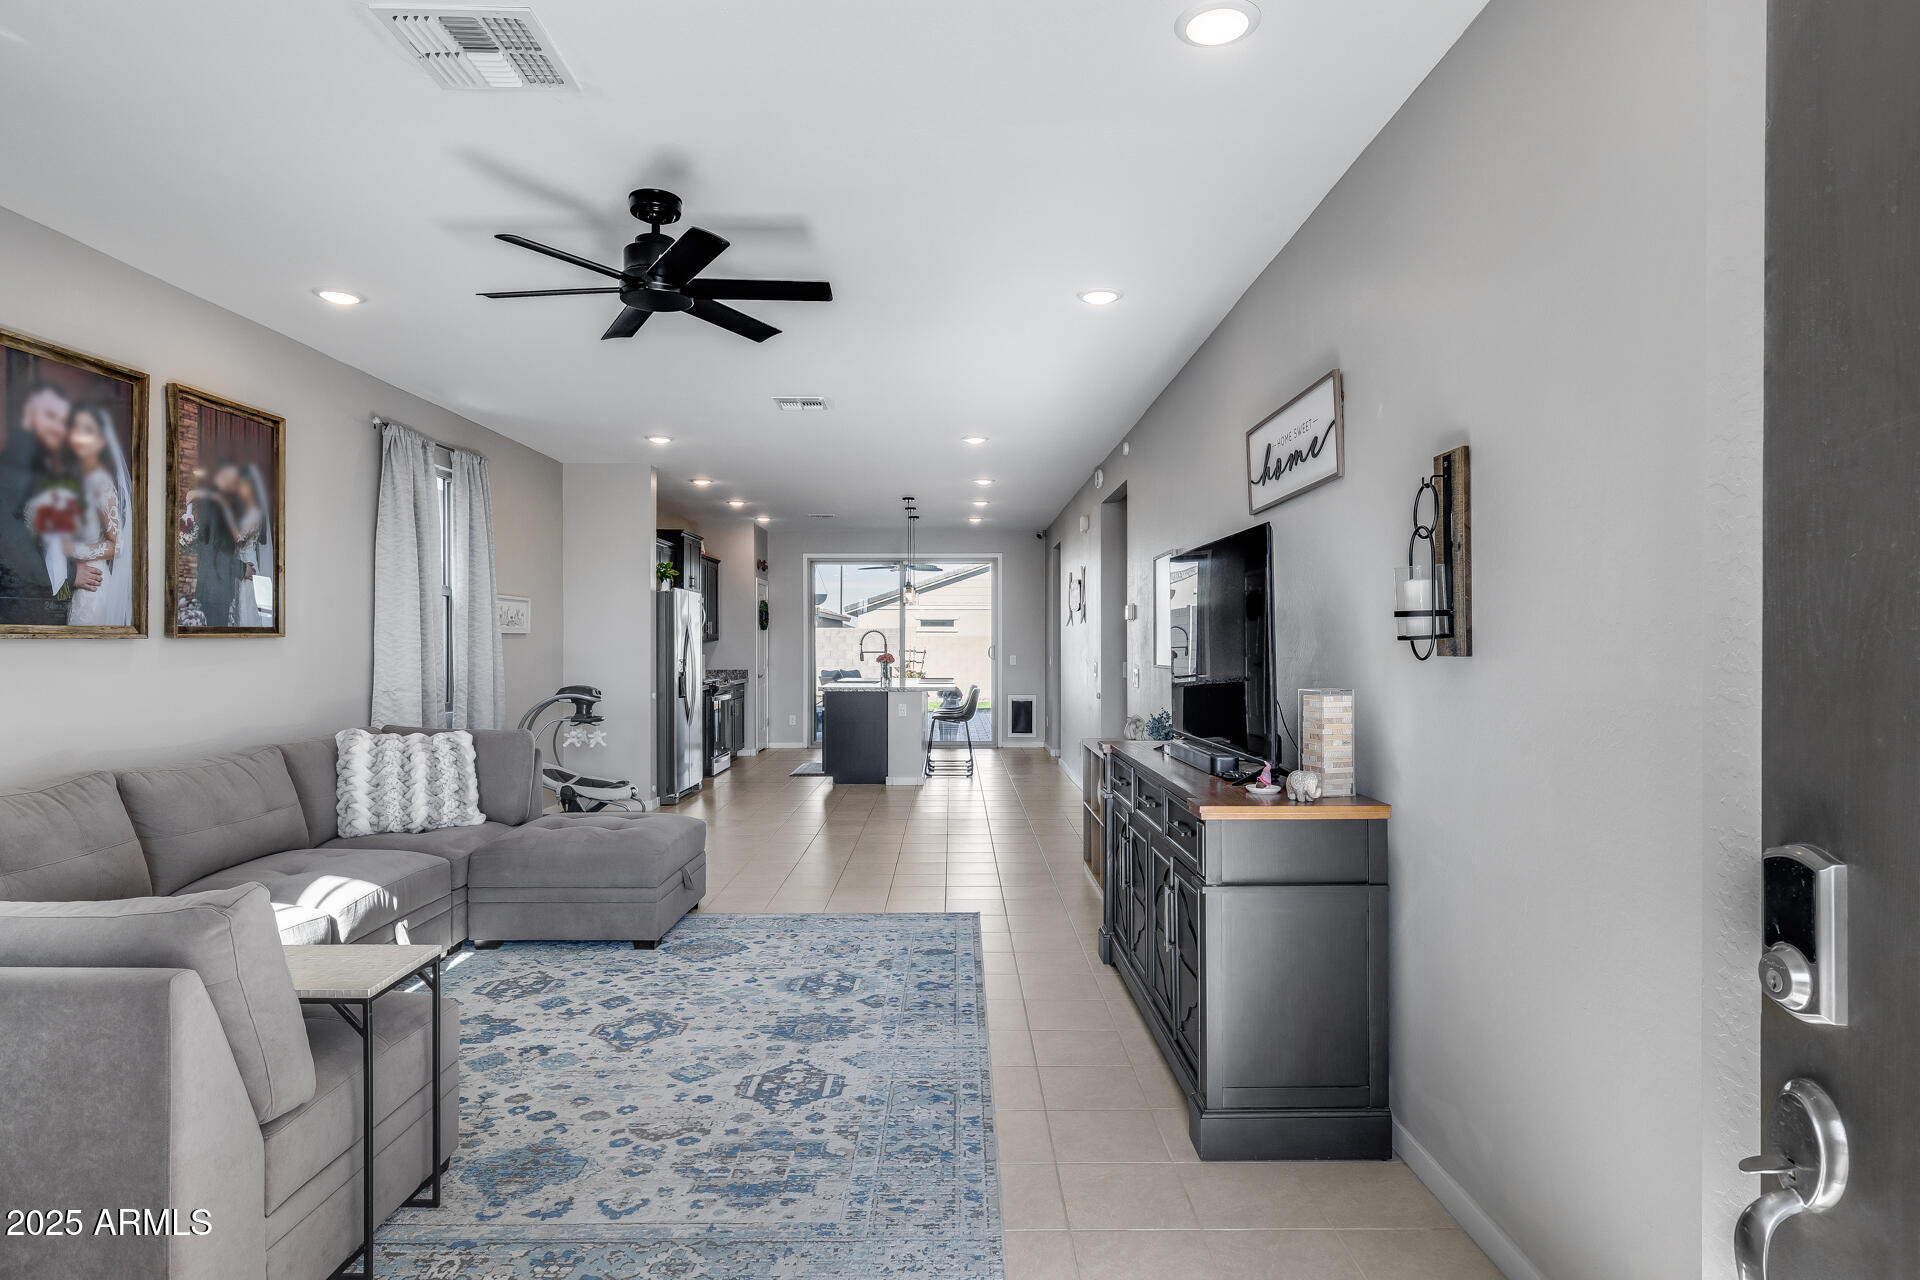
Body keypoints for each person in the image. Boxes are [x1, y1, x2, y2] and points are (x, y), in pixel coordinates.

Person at [0, 381, 100, 626]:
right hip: (19, 606)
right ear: (27, 415)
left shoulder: (43, 464)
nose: (57, 427)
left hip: (40, 601)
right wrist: (70, 573)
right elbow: (10, 540)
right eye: (50, 415)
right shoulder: (13, 466)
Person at [61, 404, 133, 628]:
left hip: (94, 583)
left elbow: (119, 544)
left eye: (87, 430)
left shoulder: (100, 481)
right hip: (79, 582)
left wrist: (74, 550)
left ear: (101, 442)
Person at [188, 459, 242, 627]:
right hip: (216, 588)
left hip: (212, 587)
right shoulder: (216, 505)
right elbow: (214, 551)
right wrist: (242, 568)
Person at [231, 463, 272, 627]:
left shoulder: (254, 513)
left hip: (249, 566)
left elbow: (237, 537)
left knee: (247, 610)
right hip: (240, 564)